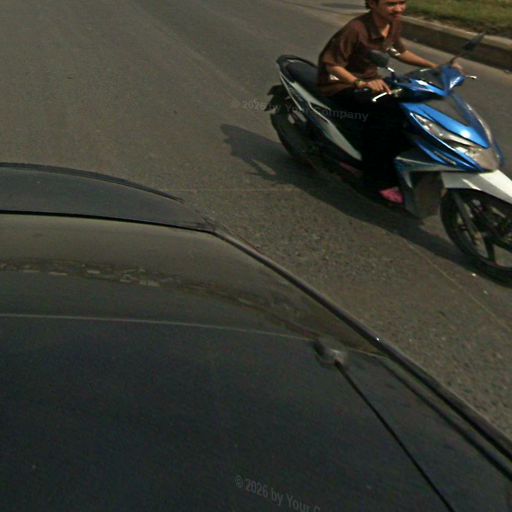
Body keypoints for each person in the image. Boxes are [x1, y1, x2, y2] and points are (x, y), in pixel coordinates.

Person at [317, 0, 458, 204]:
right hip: (340, 84)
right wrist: (359, 83)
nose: (398, 9)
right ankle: (376, 178)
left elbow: (398, 52)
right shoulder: (355, 29)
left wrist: (435, 66)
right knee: (386, 116)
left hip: (371, 81)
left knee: (412, 107)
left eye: (402, 2)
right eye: (391, 4)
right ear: (372, 4)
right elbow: (332, 65)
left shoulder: (393, 23)